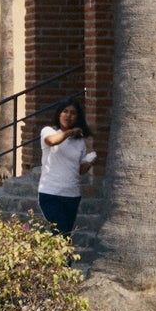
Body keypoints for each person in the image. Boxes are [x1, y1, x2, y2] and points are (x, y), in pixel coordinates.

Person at [38, 98, 96, 239]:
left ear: (78, 117)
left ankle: (59, 261)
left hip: (72, 195)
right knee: (61, 235)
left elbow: (79, 170)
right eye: (65, 111)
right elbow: (52, 141)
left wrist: (88, 163)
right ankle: (65, 262)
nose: (68, 115)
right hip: (51, 193)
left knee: (66, 235)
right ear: (59, 114)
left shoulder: (80, 141)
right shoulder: (48, 131)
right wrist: (70, 132)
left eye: (73, 113)